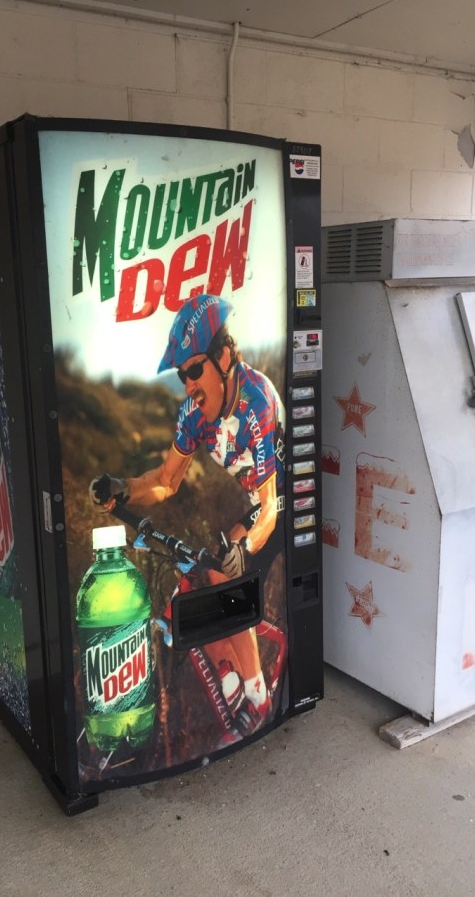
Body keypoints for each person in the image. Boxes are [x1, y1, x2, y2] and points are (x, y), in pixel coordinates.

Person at [89, 292, 286, 733]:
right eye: (182, 376)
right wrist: (123, 489)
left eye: (195, 371)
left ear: (224, 357)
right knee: (203, 579)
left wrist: (244, 549)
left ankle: (257, 698)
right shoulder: (195, 414)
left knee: (227, 577)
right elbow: (165, 480)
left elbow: (271, 508)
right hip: (257, 505)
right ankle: (231, 680)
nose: (189, 386)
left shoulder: (256, 401)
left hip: (284, 501)